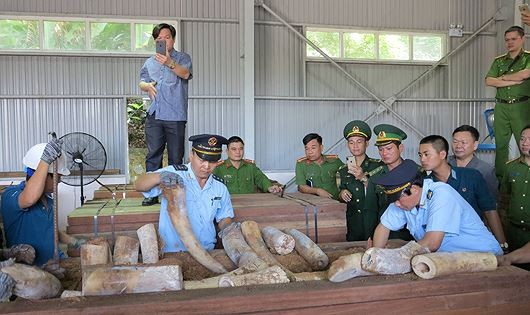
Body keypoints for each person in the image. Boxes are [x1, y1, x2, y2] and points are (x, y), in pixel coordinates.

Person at [370, 159, 502, 255]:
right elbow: (384, 227)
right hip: (450, 258)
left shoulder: (441, 194)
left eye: (398, 200)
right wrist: (376, 254)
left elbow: (431, 243)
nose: (396, 204)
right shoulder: (404, 201)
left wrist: (395, 256)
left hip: (483, 257)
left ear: (414, 189)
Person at [134, 134, 233, 253]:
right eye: (202, 160)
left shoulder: (220, 187)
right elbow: (138, 185)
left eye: (212, 161)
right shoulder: (174, 173)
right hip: (174, 252)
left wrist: (229, 230)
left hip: (208, 252)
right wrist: (159, 177)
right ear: (191, 155)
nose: (206, 166)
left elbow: (224, 218)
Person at [0, 141, 83, 267]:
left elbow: (51, 230)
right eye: (57, 177)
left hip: (54, 264)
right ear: (42, 176)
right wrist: (45, 160)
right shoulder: (11, 195)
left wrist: (74, 242)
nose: (59, 181)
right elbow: (29, 199)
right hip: (29, 274)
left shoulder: (49, 201)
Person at [419, 135, 507, 249]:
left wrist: (502, 243)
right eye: (420, 155)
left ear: (442, 154)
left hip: (473, 243)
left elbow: (489, 210)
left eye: (427, 154)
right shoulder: (424, 184)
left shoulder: (471, 176)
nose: (422, 159)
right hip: (443, 245)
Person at [139, 23, 193, 206]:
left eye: (166, 37)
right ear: (155, 41)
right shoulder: (149, 62)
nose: (163, 41)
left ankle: (173, 194)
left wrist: (168, 62)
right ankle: (151, 195)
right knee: (153, 154)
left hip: (175, 115)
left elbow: (185, 74)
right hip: (155, 114)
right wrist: (146, 86)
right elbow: (142, 82)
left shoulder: (183, 58)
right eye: (159, 39)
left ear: (173, 39)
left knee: (176, 157)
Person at [485, 26, 530, 179]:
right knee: (501, 146)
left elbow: (526, 73)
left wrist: (503, 78)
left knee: (525, 144)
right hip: (501, 106)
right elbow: (489, 81)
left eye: (513, 39)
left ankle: (526, 177)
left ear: (522, 39)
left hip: (521, 106)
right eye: (507, 40)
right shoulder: (499, 61)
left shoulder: (528, 58)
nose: (510, 43)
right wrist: (515, 81)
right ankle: (502, 181)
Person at [364, 124, 420, 241]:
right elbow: (370, 211)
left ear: (400, 148)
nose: (384, 153)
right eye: (381, 149)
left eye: (389, 148)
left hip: (413, 235)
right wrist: (370, 237)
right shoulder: (375, 177)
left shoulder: (416, 172)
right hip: (385, 234)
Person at [337, 120, 383, 241]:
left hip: (373, 221)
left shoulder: (377, 166)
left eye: (359, 142)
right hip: (352, 222)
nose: (355, 146)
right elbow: (340, 192)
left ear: (366, 143)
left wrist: (363, 177)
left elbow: (381, 193)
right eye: (351, 142)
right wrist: (342, 194)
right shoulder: (343, 170)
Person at [498, 125, 530, 264]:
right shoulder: (511, 167)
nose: (525, 143)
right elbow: (504, 199)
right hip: (513, 232)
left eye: (529, 139)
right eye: (522, 139)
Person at [213, 136, 282, 195]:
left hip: (249, 205)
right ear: (227, 151)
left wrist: (269, 187)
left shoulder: (251, 167)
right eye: (234, 149)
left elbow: (261, 179)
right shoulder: (219, 168)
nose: (238, 152)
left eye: (241, 149)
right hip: (228, 205)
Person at [448, 125, 498, 201]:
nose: (458, 146)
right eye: (455, 142)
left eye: (463, 142)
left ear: (475, 145)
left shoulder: (485, 170)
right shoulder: (444, 164)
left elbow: (491, 201)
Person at [295, 133, 344, 200]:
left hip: (336, 202)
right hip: (314, 204)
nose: (310, 152)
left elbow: (347, 176)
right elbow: (301, 187)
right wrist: (317, 191)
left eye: (313, 148)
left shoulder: (334, 161)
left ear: (321, 148)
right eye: (307, 149)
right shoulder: (301, 165)